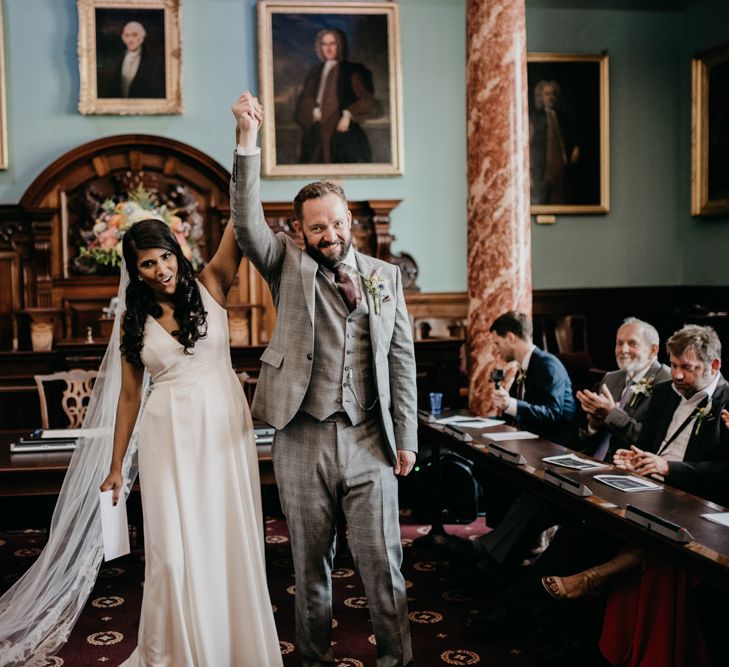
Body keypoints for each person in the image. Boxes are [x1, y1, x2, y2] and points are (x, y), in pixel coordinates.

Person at [0, 218, 282, 666]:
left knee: (227, 542)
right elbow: (129, 396)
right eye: (147, 263)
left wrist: (246, 149)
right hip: (166, 436)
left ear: (177, 252)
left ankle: (231, 649)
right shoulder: (134, 320)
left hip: (224, 431)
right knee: (170, 557)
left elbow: (238, 219)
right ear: (135, 270)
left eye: (166, 257)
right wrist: (116, 466)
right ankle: (176, 652)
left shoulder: (211, 282)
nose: (161, 269)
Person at [231, 91, 417, 666]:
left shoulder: (385, 276)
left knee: (383, 565)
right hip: (301, 435)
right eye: (316, 226)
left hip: (369, 438)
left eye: (336, 222)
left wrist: (406, 436)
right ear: (300, 229)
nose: (328, 233)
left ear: (350, 221)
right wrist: (247, 140)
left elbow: (402, 360)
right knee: (308, 567)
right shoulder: (285, 262)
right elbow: (244, 220)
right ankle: (312, 662)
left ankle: (396, 661)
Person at [541, 324, 729, 666]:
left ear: (714, 366)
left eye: (688, 368)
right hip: (651, 488)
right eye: (673, 365)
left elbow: (724, 471)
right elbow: (650, 444)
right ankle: (557, 629)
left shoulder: (726, 401)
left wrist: (670, 469)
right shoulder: (667, 393)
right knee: (580, 524)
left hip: (696, 503)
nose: (676, 375)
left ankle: (591, 587)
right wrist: (634, 457)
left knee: (647, 534)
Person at [576, 317, 671, 461]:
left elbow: (652, 441)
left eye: (632, 343)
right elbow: (588, 441)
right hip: (593, 460)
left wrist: (611, 414)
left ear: (653, 350)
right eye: (619, 343)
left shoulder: (667, 382)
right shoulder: (611, 378)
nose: (623, 350)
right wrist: (593, 425)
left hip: (629, 467)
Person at [295, 29, 381, 164]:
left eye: (332, 44)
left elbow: (367, 100)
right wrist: (313, 110)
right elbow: (306, 99)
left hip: (343, 129)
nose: (328, 49)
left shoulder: (353, 70)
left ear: (340, 45)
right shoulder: (315, 72)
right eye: (324, 44)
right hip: (317, 130)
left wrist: (348, 114)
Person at [490, 311, 576, 444]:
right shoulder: (525, 365)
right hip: (530, 440)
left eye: (497, 343)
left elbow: (552, 414)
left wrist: (509, 404)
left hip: (553, 446)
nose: (496, 350)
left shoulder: (547, 365)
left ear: (511, 338)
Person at [530, 79, 580, 205]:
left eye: (552, 94)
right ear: (540, 97)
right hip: (542, 167)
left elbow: (573, 136)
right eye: (547, 94)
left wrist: (576, 148)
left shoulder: (562, 117)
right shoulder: (534, 118)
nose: (550, 97)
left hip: (562, 166)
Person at [100, 20, 165, 99]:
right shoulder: (117, 60)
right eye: (127, 35)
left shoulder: (153, 63)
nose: (130, 40)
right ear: (123, 38)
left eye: (134, 35)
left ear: (142, 37)